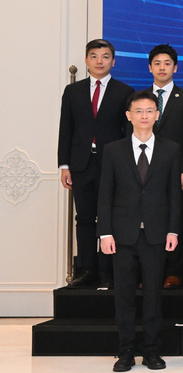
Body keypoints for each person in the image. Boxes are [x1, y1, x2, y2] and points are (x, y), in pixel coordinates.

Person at [97, 91, 181, 371]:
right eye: (138, 111)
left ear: (157, 115)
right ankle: (125, 351)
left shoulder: (171, 149)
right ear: (128, 115)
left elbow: (174, 195)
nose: (144, 116)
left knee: (153, 296)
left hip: (156, 234)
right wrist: (105, 233)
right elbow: (105, 193)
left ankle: (152, 351)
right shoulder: (113, 150)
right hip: (122, 235)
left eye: (149, 111)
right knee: (123, 296)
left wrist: (173, 230)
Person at [59, 39, 133, 289]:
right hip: (81, 164)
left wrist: (127, 165)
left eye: (105, 56)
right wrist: (64, 165)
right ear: (86, 60)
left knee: (110, 218)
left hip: (112, 164)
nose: (99, 61)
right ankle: (87, 269)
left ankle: (107, 270)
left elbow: (128, 132)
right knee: (85, 218)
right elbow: (66, 128)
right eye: (94, 56)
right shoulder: (73, 91)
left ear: (113, 61)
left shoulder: (125, 91)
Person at [148, 44, 183, 289]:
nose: (162, 68)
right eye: (157, 63)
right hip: (146, 168)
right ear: (150, 67)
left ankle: (174, 271)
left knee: (175, 217)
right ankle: (150, 270)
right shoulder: (140, 99)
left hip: (176, 169)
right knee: (149, 218)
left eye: (167, 63)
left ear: (175, 68)